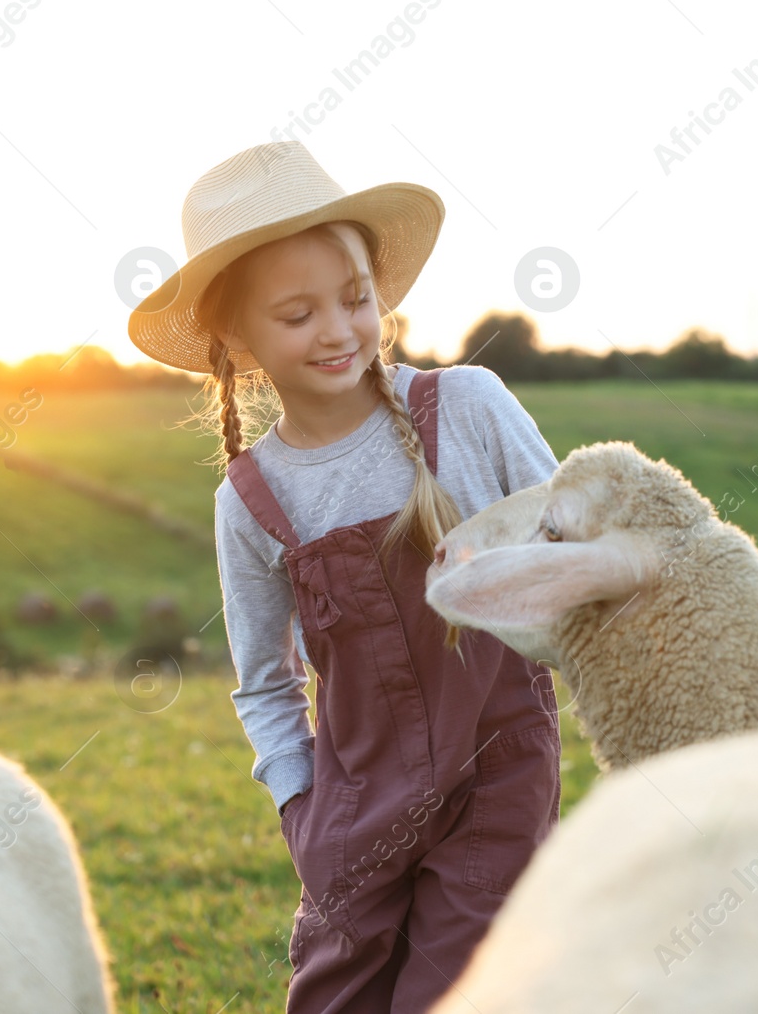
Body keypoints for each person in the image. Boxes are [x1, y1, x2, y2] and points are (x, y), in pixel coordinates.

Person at [128, 140, 562, 1014]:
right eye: (297, 314)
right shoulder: (251, 500)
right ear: (237, 337)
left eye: (354, 299)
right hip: (354, 810)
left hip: (497, 783)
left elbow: (577, 539)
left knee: (451, 997)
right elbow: (265, 682)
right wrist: (302, 811)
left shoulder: (469, 409)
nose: (337, 330)